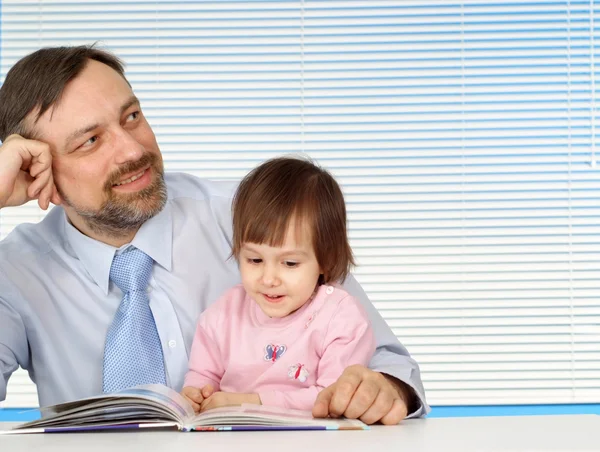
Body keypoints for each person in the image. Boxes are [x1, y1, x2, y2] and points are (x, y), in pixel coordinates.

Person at [0, 45, 429, 424]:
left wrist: (382, 389)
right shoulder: (16, 271)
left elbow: (388, 363)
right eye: (91, 141)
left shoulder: (253, 216)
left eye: (131, 116)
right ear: (35, 171)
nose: (133, 150)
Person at [181, 157, 376, 413]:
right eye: (255, 259)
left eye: (290, 263)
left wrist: (251, 402)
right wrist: (196, 393)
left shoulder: (340, 317)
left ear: (325, 261)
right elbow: (201, 375)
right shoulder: (224, 313)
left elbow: (332, 399)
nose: (269, 279)